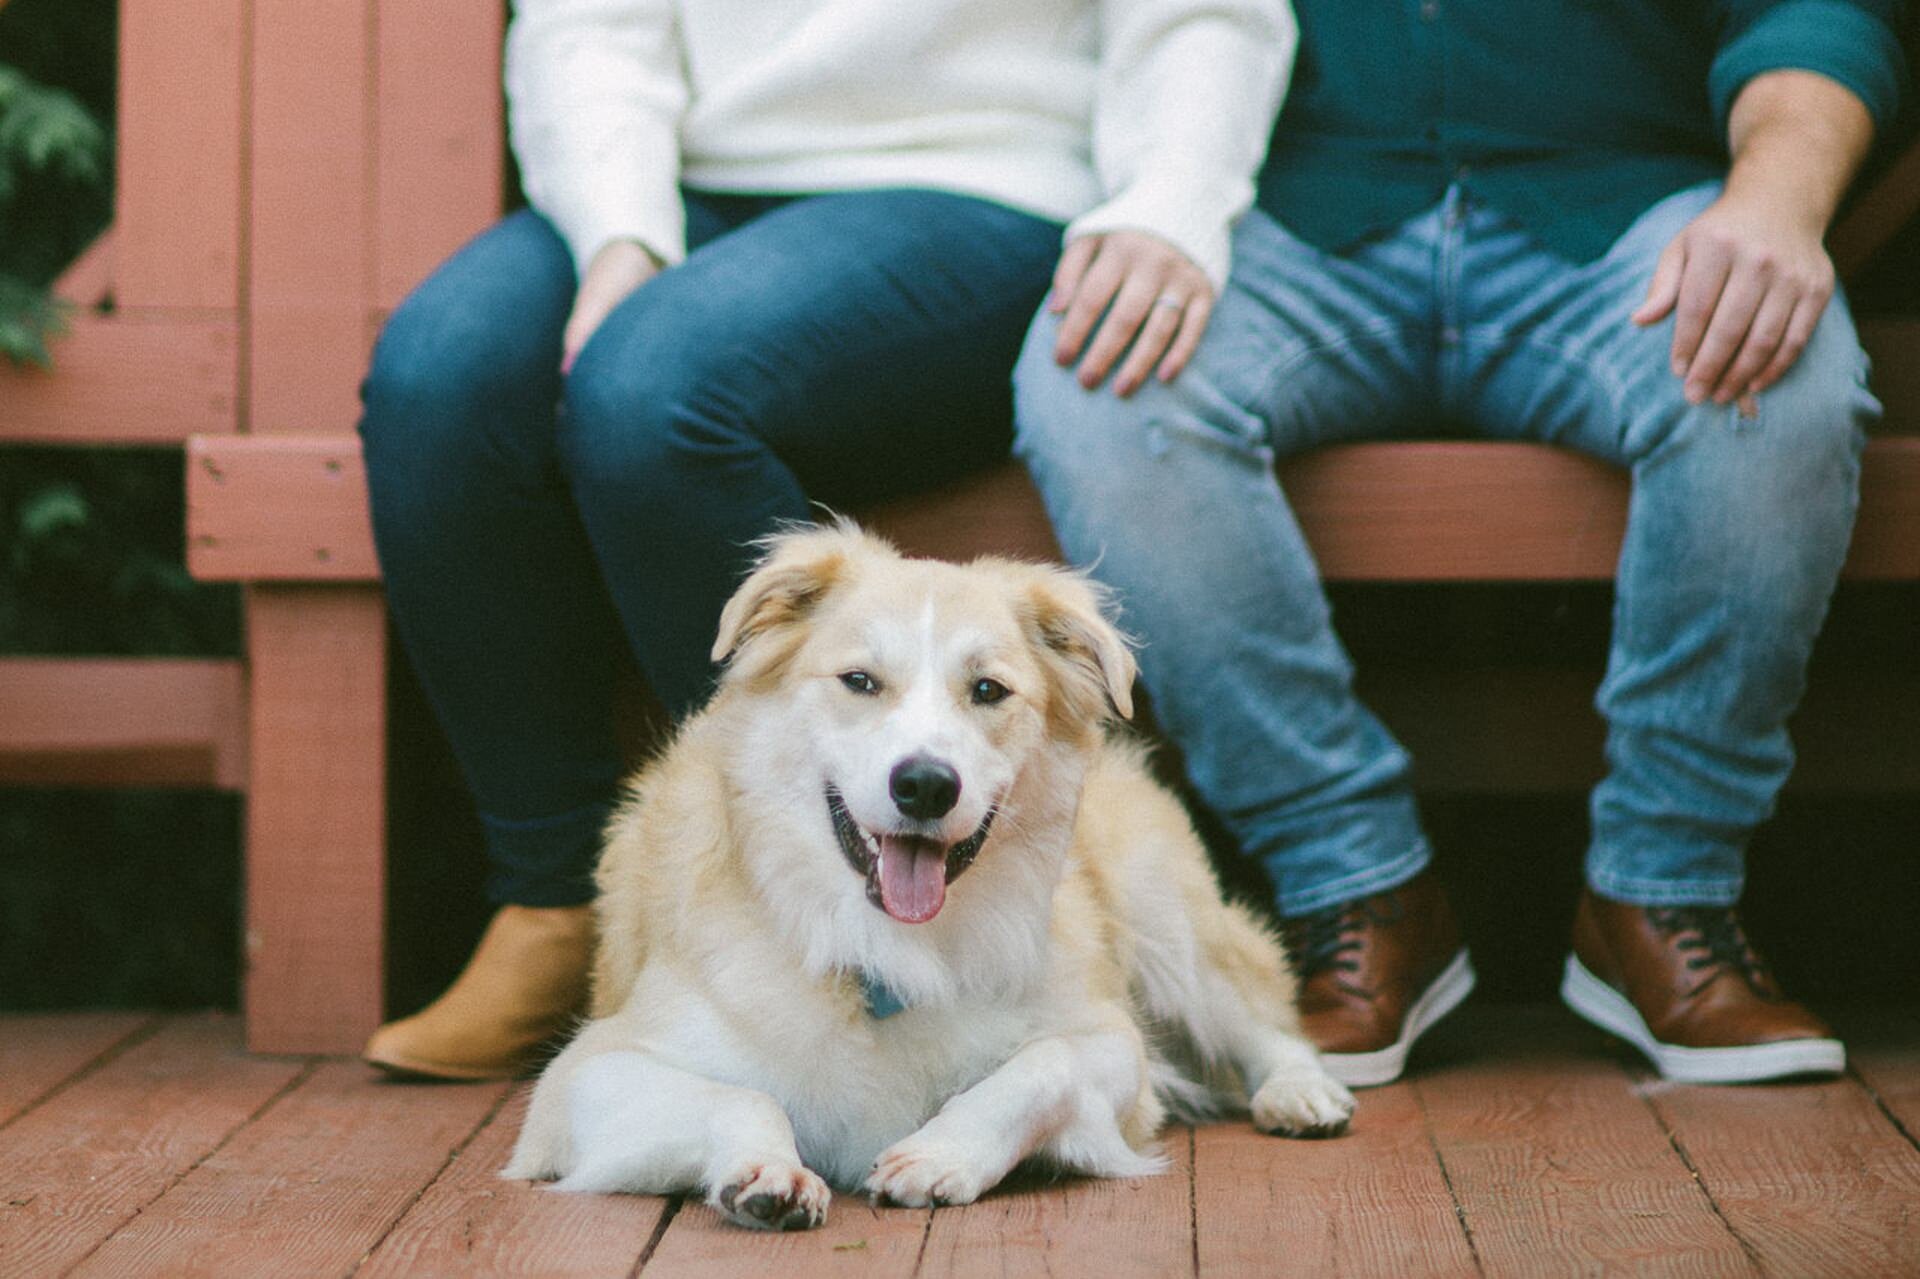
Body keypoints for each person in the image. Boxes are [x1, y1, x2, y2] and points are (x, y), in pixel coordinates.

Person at [354, 0, 1295, 1080]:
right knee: (439, 383)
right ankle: (559, 898)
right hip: (689, 179)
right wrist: (622, 230)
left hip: (987, 179)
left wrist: (1171, 202)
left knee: (657, 398)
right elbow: (587, 23)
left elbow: (1202, 16)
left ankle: (793, 907)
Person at [1016, 1, 1908, 1087]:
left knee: (1782, 385)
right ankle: (1354, 887)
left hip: (1619, 211)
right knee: (1095, 389)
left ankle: (1663, 889)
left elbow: (1809, 13)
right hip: (1298, 215)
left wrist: (1777, 202)